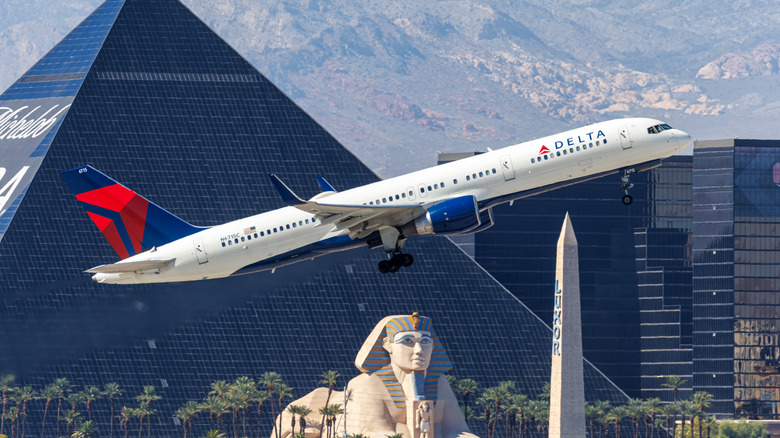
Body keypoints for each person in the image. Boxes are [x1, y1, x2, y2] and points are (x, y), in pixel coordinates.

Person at [272, 313, 478, 438]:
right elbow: (372, 432)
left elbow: (456, 430)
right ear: (387, 345)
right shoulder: (368, 383)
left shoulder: (438, 382)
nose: (418, 350)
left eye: (425, 342)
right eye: (408, 341)